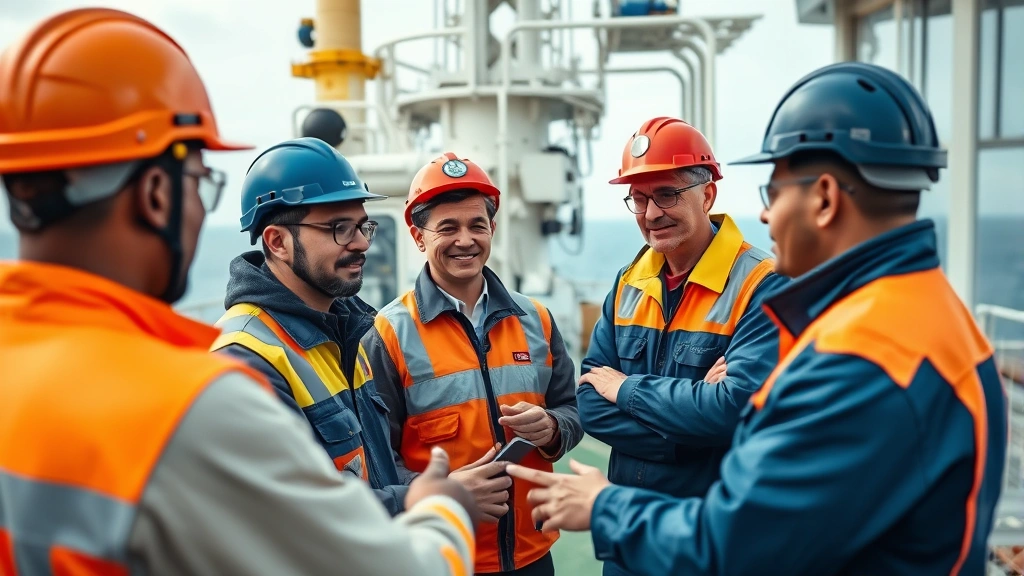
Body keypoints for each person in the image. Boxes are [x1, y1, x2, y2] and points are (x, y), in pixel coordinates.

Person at [0, 9, 478, 575]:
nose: (358, 243)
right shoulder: (193, 404)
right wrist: (439, 509)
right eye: (201, 182)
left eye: (363, 227)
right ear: (157, 194)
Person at [507, 62, 1009, 576]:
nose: (765, 215)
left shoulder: (863, 353)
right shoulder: (924, 314)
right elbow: (605, 404)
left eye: (774, 193)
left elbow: (737, 537)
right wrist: (706, 418)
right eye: (638, 198)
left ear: (824, 198)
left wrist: (603, 504)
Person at [575, 116, 787, 575]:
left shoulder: (761, 285)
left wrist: (626, 390)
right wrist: (692, 437)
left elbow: (731, 411)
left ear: (707, 194)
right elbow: (590, 404)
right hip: (626, 538)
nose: (651, 213)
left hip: (709, 540)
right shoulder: (629, 281)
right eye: (638, 198)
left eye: (667, 194)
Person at [361, 153, 583, 576]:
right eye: (448, 228)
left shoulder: (537, 319)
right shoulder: (387, 335)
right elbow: (376, 463)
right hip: (443, 557)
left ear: (492, 230)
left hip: (533, 555)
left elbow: (572, 409)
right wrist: (447, 493)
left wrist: (553, 428)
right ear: (418, 236)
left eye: (477, 225)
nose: (465, 240)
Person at [210, 136, 413, 515]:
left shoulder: (347, 332)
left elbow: (374, 471)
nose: (362, 244)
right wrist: (421, 501)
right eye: (340, 228)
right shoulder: (244, 360)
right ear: (278, 242)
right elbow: (290, 515)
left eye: (363, 226)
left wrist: (439, 486)